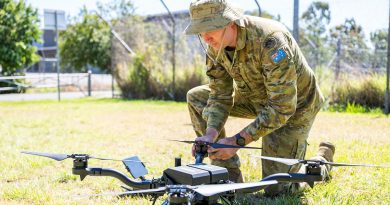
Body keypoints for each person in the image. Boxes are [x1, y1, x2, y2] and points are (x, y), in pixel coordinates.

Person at [184, 0, 335, 196]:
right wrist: (211, 134)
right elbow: (220, 95)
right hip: (255, 98)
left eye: (209, 29)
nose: (205, 37)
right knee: (196, 97)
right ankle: (228, 178)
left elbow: (282, 107)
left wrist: (236, 141)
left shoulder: (271, 41)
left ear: (230, 22)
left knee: (278, 189)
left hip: (296, 106)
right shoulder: (215, 46)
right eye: (200, 31)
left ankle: (320, 163)